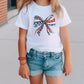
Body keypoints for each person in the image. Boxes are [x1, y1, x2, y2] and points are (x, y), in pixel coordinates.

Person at [15, 0, 72, 84]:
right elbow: (22, 38)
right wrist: (23, 63)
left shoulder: (59, 9)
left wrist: (68, 60)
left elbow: (65, 36)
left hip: (55, 59)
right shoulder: (27, 10)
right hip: (34, 58)